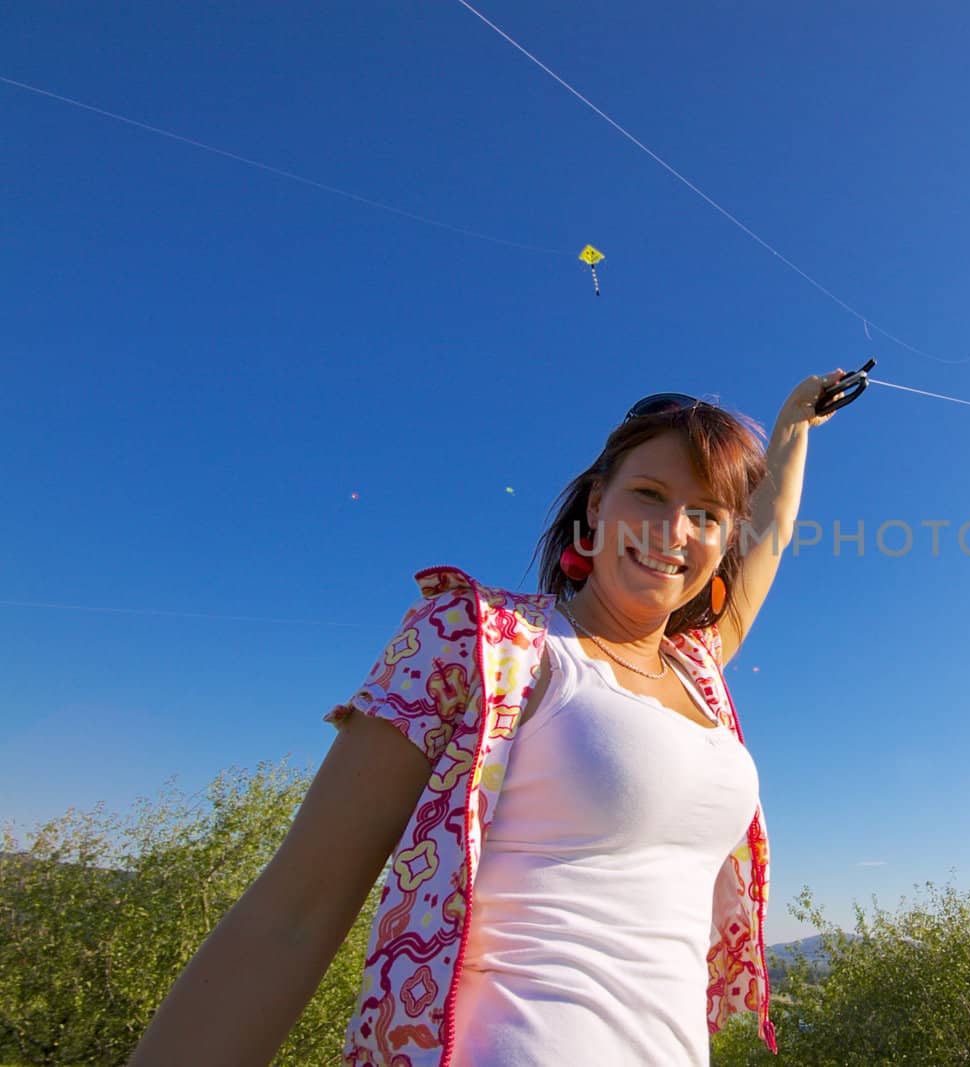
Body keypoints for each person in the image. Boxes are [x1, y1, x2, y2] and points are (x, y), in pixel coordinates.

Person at [129, 370, 846, 1066]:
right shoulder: (482, 641)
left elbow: (773, 530)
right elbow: (291, 916)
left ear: (725, 540)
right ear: (596, 506)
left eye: (706, 515)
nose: (673, 530)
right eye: (650, 495)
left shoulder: (699, 673)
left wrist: (794, 423)